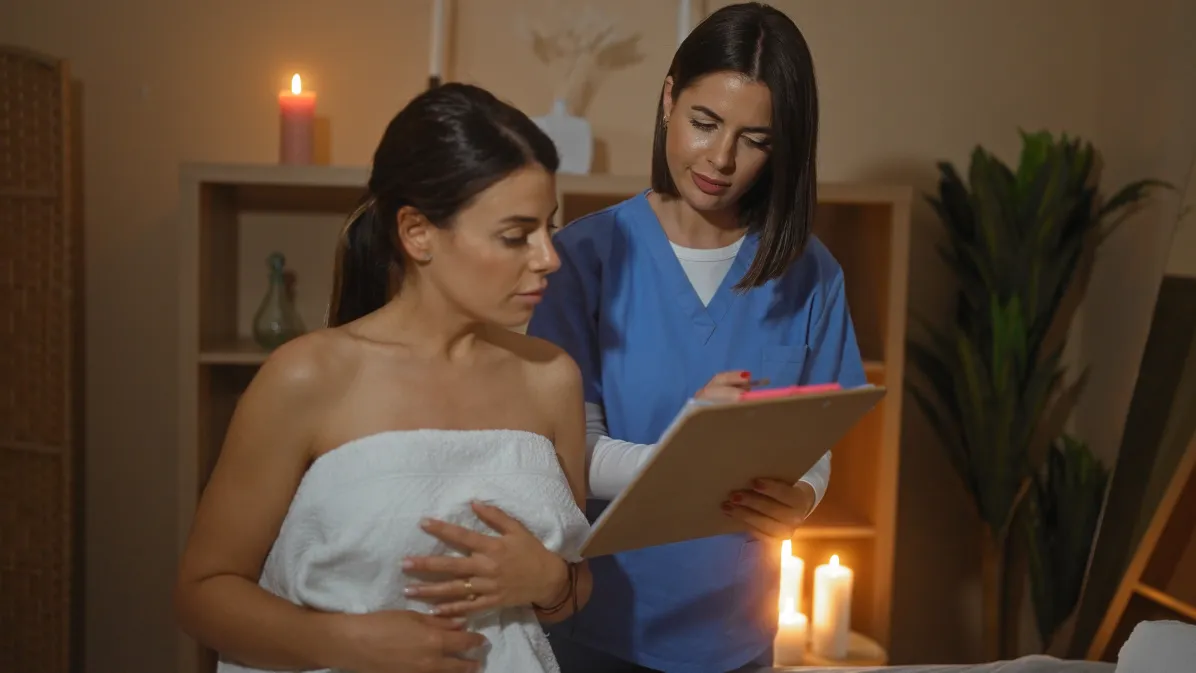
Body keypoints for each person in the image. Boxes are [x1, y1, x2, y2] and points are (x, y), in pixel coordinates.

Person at [173, 83, 593, 673]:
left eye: (549, 227)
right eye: (515, 235)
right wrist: (345, 642)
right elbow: (203, 594)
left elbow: (571, 588)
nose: (549, 257)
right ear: (418, 232)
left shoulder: (551, 379)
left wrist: (550, 581)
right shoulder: (309, 377)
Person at [525, 3, 868, 672]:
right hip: (598, 626)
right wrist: (689, 442)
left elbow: (815, 434)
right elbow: (571, 455)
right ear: (668, 100)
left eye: (755, 138)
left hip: (738, 635)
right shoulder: (584, 259)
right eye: (704, 122)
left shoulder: (812, 274)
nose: (721, 158)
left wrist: (801, 498)